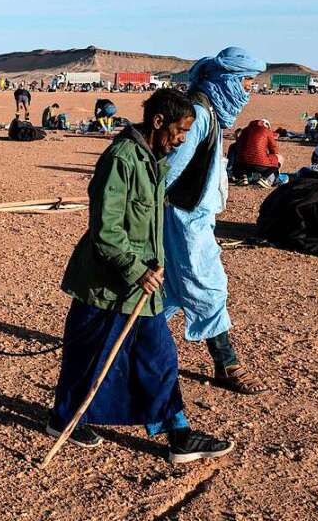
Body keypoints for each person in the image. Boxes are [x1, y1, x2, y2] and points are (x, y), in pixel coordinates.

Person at [49, 88, 234, 463]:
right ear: (158, 122)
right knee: (86, 355)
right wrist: (136, 269)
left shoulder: (152, 159)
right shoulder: (121, 159)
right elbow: (106, 229)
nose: (182, 139)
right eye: (179, 130)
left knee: (158, 355)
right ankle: (64, 418)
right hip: (105, 283)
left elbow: (149, 222)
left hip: (140, 286)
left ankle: (178, 432)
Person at [163, 46, 267, 395]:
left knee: (168, 294)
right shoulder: (198, 115)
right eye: (248, 82)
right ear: (229, 80)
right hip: (183, 221)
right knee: (207, 286)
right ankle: (227, 363)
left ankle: (130, 350)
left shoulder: (209, 112)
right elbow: (167, 176)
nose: (250, 91)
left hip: (193, 217)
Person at [230, 119, 282, 187]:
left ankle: (244, 177)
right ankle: (265, 178)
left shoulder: (245, 130)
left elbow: (238, 146)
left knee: (246, 159)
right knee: (279, 158)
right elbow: (274, 149)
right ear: (265, 125)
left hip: (241, 165)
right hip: (260, 165)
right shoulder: (266, 131)